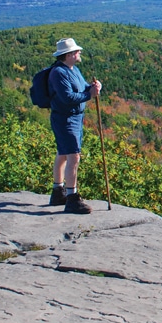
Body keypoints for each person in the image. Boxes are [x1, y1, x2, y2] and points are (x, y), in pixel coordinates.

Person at [47, 38, 102, 214]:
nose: (79, 54)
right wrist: (89, 95)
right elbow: (68, 98)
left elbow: (83, 88)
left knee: (63, 153)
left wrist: (94, 87)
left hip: (73, 118)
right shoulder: (59, 73)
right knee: (73, 156)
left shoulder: (73, 70)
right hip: (66, 119)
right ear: (69, 54)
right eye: (77, 52)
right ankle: (72, 198)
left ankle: (58, 192)